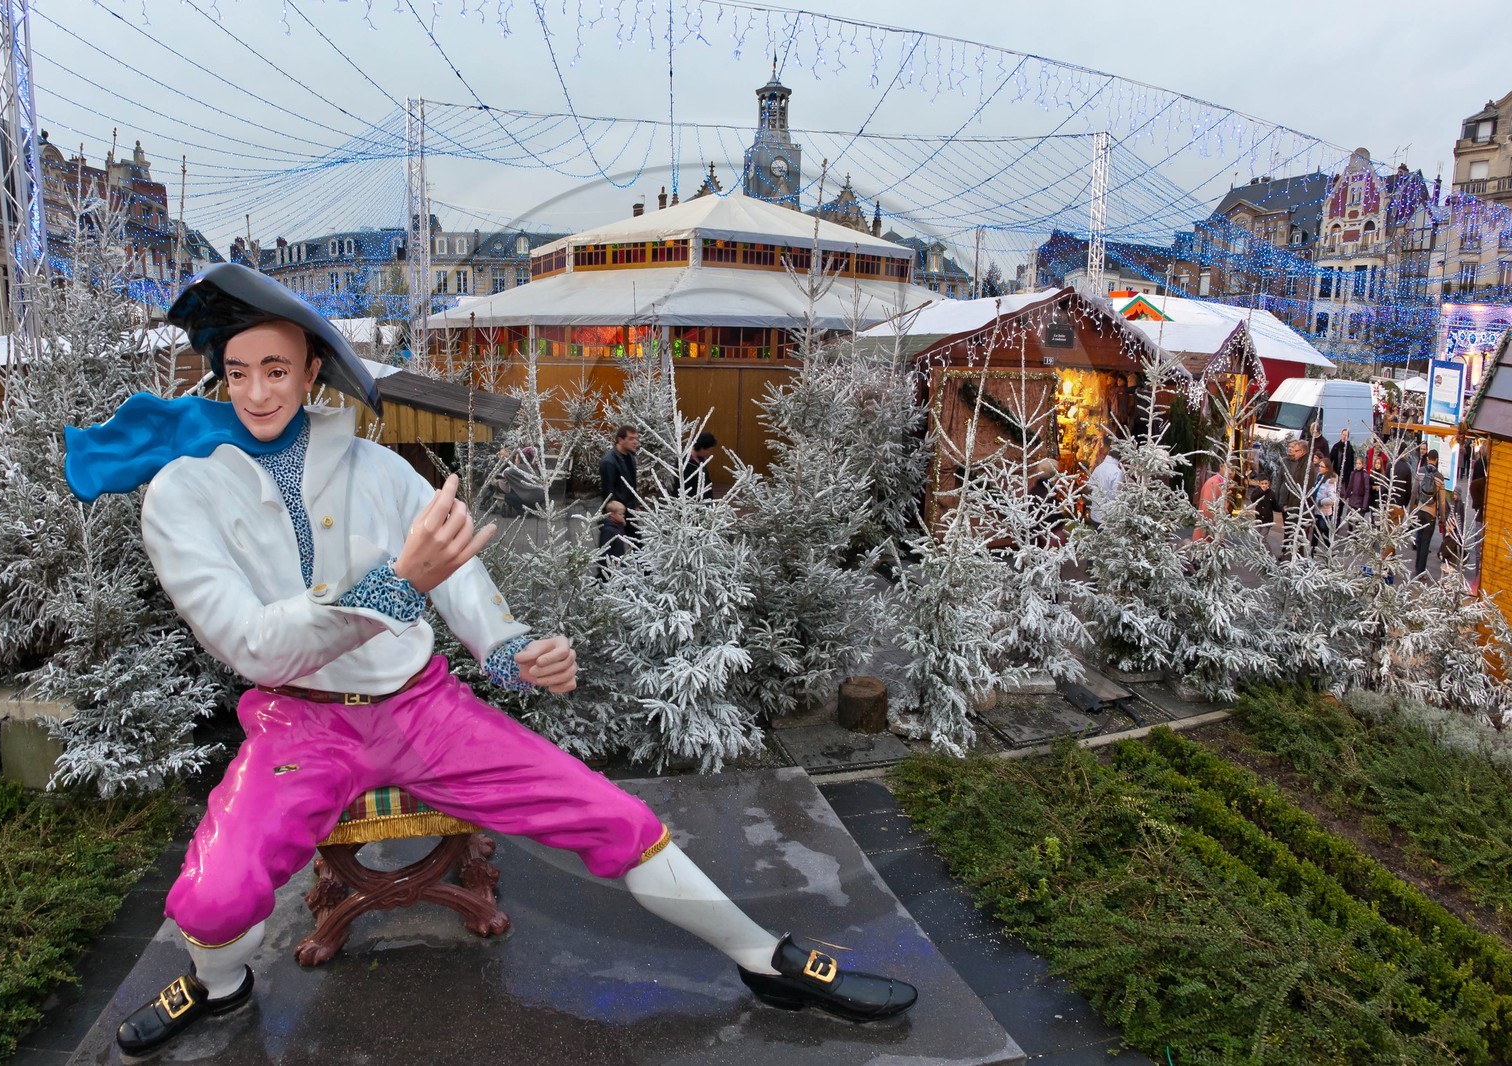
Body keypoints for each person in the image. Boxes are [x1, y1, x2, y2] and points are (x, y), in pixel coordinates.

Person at [62, 265, 916, 1059]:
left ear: (312, 369)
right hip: (300, 723)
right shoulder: (181, 494)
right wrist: (397, 587)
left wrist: (513, 652)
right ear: (217, 372)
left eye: (277, 369)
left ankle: (766, 958)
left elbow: (461, 575)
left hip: (422, 708)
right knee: (214, 900)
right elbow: (251, 644)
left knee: (613, 817)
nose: (257, 391)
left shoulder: (378, 469)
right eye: (239, 370)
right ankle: (216, 986)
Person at [1275, 438, 1312, 559]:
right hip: (1287, 501)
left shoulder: (1304, 466)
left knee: (1296, 533)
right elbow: (1280, 480)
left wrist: (1295, 507)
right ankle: (1287, 552)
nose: (1291, 450)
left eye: (1295, 449)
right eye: (1290, 447)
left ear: (1302, 451)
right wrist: (1279, 499)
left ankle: (1293, 557)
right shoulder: (1287, 462)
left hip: (1296, 506)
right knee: (1288, 529)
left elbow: (1303, 489)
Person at [599, 424, 641, 519]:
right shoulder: (609, 462)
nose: (635, 442)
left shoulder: (631, 457)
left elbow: (632, 485)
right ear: (620, 440)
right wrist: (615, 515)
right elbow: (608, 491)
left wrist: (635, 504)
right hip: (617, 515)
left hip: (630, 511)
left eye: (636, 438)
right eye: (631, 439)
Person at [1027, 457, 1066, 546]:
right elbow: (1053, 519)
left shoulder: (1034, 490)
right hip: (1043, 539)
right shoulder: (1047, 494)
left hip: (1033, 537)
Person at [1415, 466, 1444, 577]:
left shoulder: (1421, 472)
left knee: (1419, 539)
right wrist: (1442, 517)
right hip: (1431, 513)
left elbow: (1414, 492)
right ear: (1436, 460)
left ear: (1428, 459)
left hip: (1420, 510)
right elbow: (1442, 501)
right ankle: (1421, 571)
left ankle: (1417, 566)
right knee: (1425, 543)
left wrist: (1412, 510)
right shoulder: (1440, 477)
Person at [1086, 439, 1122, 529]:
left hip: (1094, 515)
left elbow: (1089, 486)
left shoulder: (1099, 468)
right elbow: (1116, 495)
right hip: (1107, 517)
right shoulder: (1117, 472)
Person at [1311, 456, 1339, 549]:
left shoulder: (1330, 481)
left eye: (1322, 466)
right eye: (1319, 465)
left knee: (1325, 534)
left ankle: (1329, 552)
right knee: (1315, 534)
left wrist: (1321, 502)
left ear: (1327, 469)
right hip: (1317, 511)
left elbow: (1332, 498)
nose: (1319, 467)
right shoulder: (1319, 477)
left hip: (1325, 513)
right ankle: (1312, 552)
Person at [1192, 467, 1227, 542]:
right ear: (1221, 466)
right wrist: (1215, 532)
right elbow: (1207, 510)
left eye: (1233, 470)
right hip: (1205, 538)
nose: (1230, 472)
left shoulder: (1221, 484)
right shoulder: (1213, 483)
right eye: (1228, 468)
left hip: (1213, 536)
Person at [680, 431, 718, 498]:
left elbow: (706, 481)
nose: (709, 453)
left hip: (704, 499)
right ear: (702, 448)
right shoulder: (684, 462)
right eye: (708, 450)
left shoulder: (701, 460)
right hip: (691, 500)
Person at [598, 499, 632, 568]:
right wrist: (611, 565)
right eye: (620, 514)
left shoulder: (618, 524)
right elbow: (603, 552)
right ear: (612, 515)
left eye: (623, 514)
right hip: (612, 565)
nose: (623, 516)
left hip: (619, 558)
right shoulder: (608, 531)